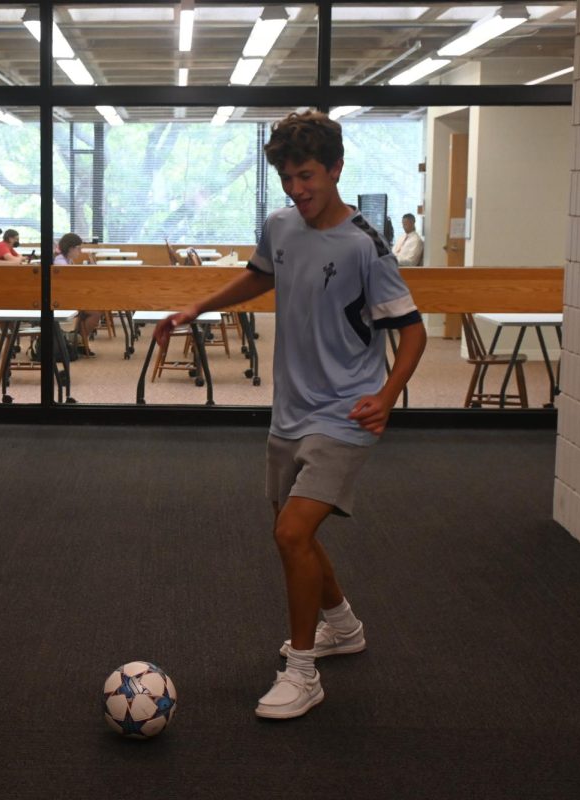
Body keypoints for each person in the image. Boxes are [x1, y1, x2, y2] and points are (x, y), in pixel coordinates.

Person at [153, 111, 426, 719]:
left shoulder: (365, 246)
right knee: (291, 534)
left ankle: (302, 673)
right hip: (290, 410)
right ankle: (342, 625)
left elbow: (412, 334)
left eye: (307, 176)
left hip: (346, 412)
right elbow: (259, 277)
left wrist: (386, 397)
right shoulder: (280, 226)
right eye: (287, 177)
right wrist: (195, 307)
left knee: (291, 533)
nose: (297, 189)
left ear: (335, 170)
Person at [53, 233, 101, 353]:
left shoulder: (67, 260)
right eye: (78, 248)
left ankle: (77, 341)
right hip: (61, 299)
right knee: (95, 313)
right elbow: (67, 285)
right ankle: (78, 340)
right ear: (71, 248)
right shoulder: (61, 263)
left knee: (89, 311)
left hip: (68, 296)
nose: (80, 251)